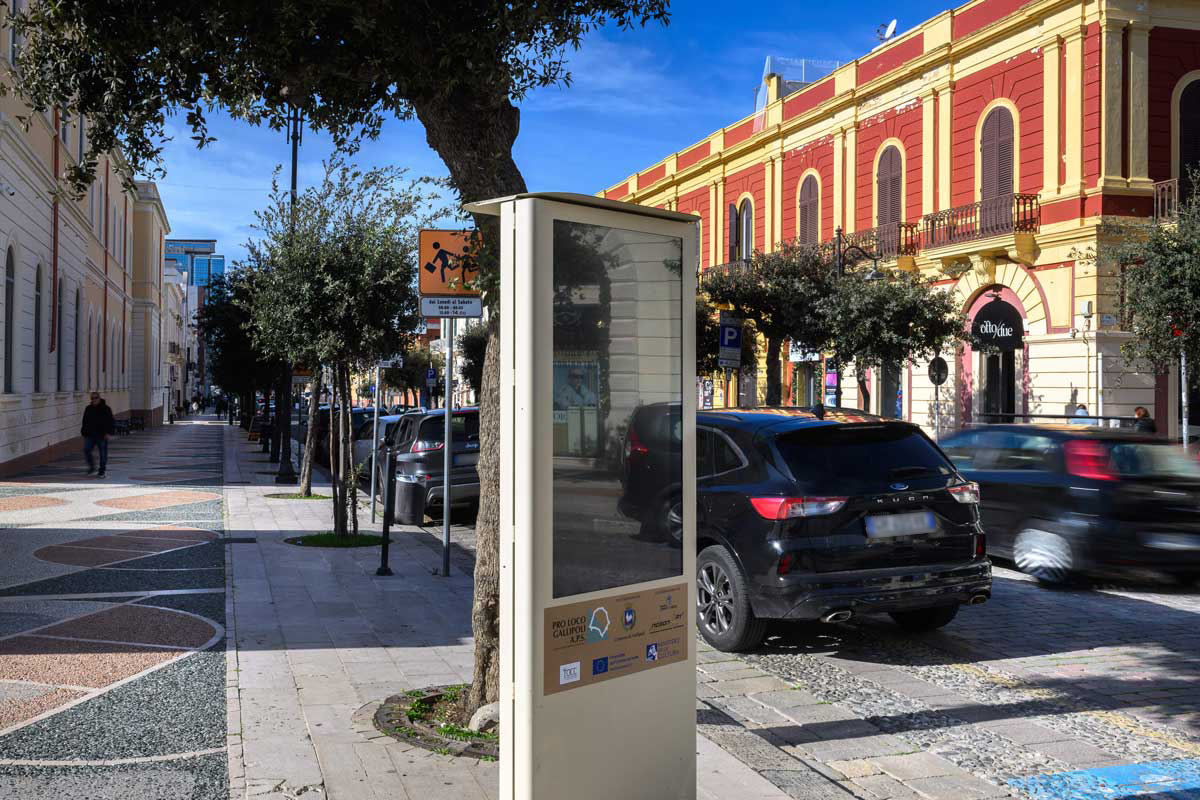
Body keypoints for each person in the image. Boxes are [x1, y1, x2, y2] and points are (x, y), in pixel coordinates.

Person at [81, 392, 115, 477]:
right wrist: (83, 431)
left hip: (102, 435)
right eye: (92, 398)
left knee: (103, 453)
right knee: (86, 450)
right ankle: (92, 467)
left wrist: (109, 432)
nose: (94, 400)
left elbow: (111, 421)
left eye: (95, 398)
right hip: (89, 434)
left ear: (99, 398)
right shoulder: (88, 408)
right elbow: (84, 420)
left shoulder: (106, 408)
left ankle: (102, 470)